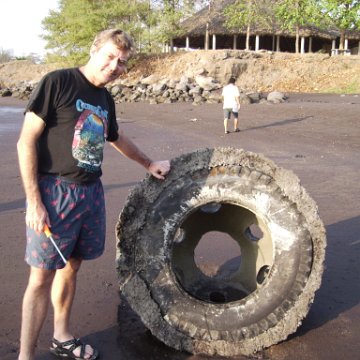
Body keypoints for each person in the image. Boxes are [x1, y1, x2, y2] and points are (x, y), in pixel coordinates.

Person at [16, 29, 170, 360]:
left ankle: (62, 336)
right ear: (94, 49)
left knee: (72, 267)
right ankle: (25, 356)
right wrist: (34, 201)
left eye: (122, 62)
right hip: (54, 192)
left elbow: (117, 137)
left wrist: (148, 163)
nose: (114, 66)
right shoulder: (58, 82)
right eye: (110, 56)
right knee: (40, 278)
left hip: (90, 194)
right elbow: (26, 140)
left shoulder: (105, 99)